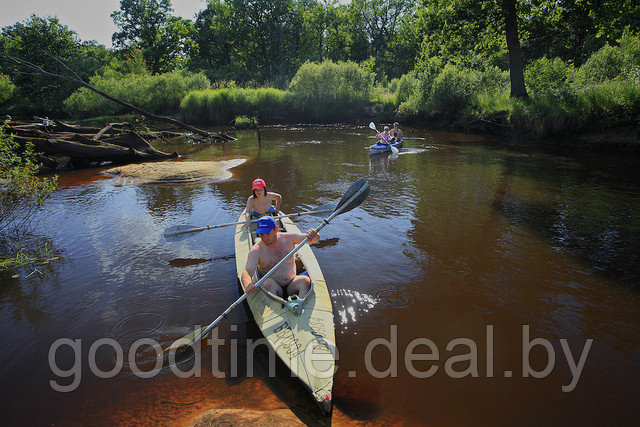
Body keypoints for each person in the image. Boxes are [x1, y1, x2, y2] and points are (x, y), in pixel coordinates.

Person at [242, 216, 319, 298]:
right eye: (261, 234)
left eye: (267, 233)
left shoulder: (289, 238)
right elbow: (247, 271)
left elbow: (313, 239)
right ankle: (278, 307)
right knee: (267, 283)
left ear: (276, 229)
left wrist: (315, 234)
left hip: (291, 283)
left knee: (305, 280)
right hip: (273, 287)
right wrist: (247, 284)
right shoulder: (256, 250)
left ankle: (300, 303)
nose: (265, 238)